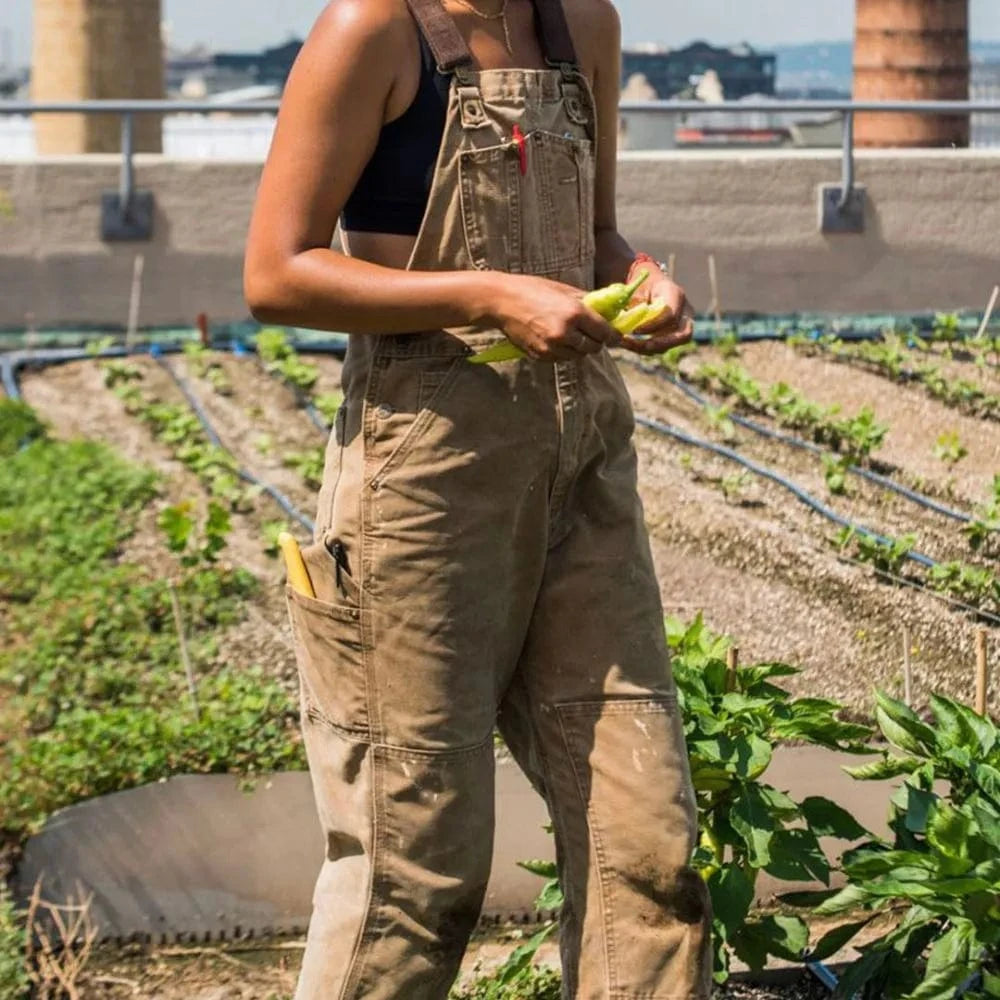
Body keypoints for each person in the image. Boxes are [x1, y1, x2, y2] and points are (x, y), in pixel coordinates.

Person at [243, 0, 711, 996]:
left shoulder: (584, 24)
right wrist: (485, 292)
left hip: (581, 465)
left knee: (648, 853)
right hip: (423, 480)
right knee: (415, 872)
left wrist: (637, 278)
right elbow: (277, 274)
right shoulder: (369, 31)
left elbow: (595, 235)